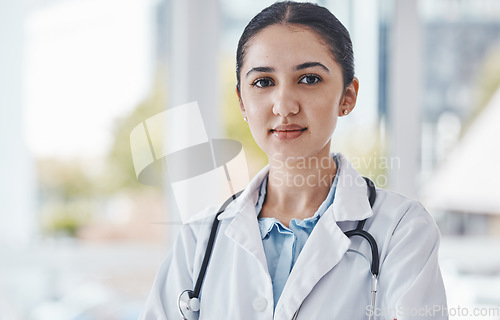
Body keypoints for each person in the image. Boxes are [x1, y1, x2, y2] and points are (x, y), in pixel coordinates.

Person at [140, 1, 448, 319]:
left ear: (348, 96)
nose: (284, 106)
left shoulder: (402, 229)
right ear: (242, 103)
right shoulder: (199, 239)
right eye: (263, 82)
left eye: (309, 79)